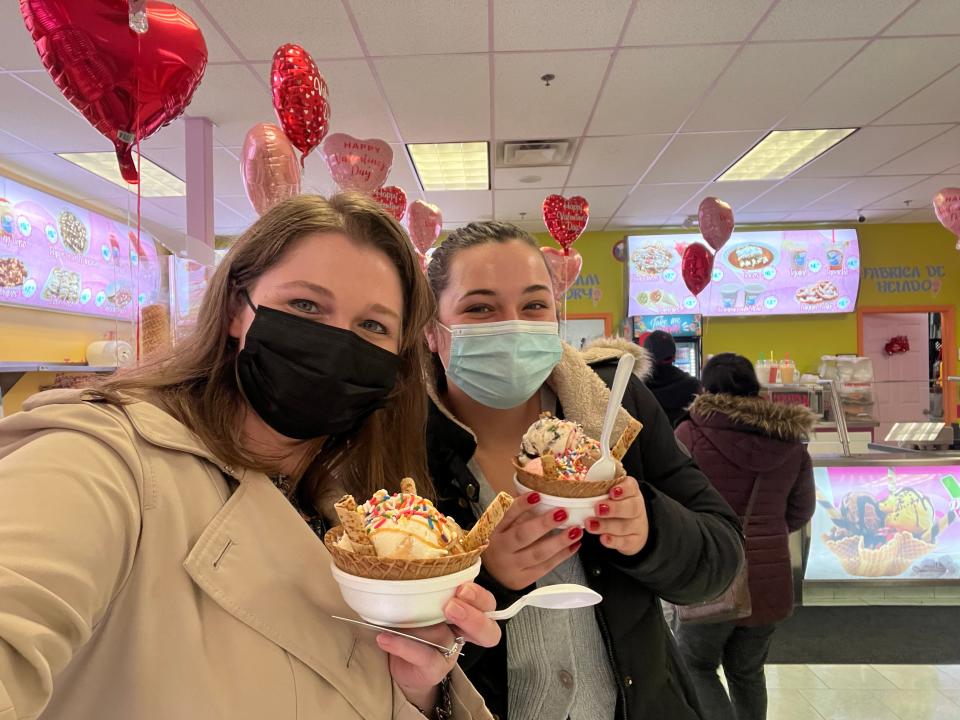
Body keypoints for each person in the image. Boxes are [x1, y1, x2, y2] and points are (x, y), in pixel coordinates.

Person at [0, 194, 499, 720]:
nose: (334, 343)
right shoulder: (104, 459)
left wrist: (416, 686)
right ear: (238, 309)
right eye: (305, 306)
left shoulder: (345, 512)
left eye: (372, 326)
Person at [423, 221, 744, 720]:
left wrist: (649, 531)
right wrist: (490, 578)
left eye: (534, 305)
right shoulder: (401, 443)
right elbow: (386, 646)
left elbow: (720, 561)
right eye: (480, 308)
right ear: (431, 329)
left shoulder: (616, 411)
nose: (514, 326)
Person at [674, 353, 816, 720]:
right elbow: (801, 511)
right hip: (770, 577)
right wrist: (767, 532)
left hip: (712, 570)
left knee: (695, 664)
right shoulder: (790, 441)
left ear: (705, 387)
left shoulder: (689, 434)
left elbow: (674, 502)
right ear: (755, 387)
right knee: (747, 671)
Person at [643, 330, 702, 426]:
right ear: (674, 356)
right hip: (682, 439)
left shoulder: (638, 387)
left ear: (647, 357)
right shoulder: (693, 385)